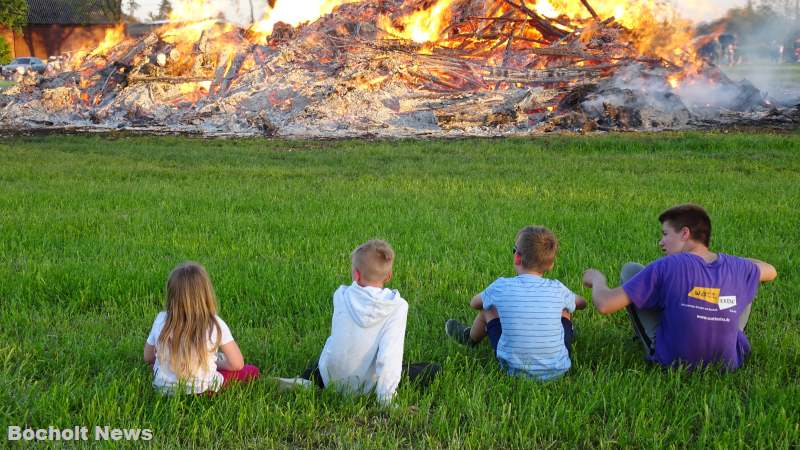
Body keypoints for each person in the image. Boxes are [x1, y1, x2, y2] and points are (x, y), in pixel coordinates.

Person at [582, 204, 777, 370]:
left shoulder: (665, 266)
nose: (661, 242)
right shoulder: (737, 266)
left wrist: (598, 279)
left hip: (674, 361)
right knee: (747, 277)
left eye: (665, 234)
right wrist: (729, 263)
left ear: (685, 233)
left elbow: (605, 305)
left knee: (631, 270)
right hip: (728, 362)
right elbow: (770, 270)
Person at [280, 240, 439, 405]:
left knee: (325, 360)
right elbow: (389, 356)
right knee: (431, 370)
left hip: (330, 377)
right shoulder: (396, 307)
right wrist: (386, 399)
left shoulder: (341, 295)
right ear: (389, 276)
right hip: (365, 386)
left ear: (356, 274)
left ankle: (307, 380)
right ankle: (323, 382)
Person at [445, 226, 587, 380]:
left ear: (517, 257)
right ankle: (550, 342)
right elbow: (582, 303)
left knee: (488, 308)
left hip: (512, 370)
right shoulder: (558, 288)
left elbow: (474, 303)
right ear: (550, 265)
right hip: (557, 370)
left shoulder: (501, 286)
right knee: (565, 309)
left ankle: (470, 339)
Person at [144, 262, 260, 394]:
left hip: (164, 389)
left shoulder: (161, 320)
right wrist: (217, 363)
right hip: (204, 389)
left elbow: (148, 357)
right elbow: (237, 364)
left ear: (171, 296)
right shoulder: (215, 324)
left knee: (160, 362)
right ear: (206, 294)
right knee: (251, 370)